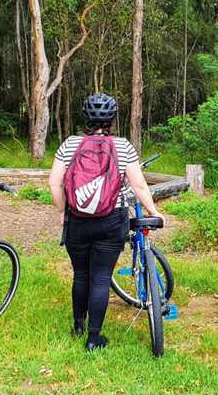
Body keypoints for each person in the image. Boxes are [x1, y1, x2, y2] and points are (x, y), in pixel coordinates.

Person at [48, 93, 166, 351]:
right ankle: (94, 338)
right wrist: (154, 210)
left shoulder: (70, 144)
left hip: (76, 221)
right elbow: (139, 185)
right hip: (112, 220)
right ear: (111, 119)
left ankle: (78, 325)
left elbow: (54, 183)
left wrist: (62, 211)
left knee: (81, 275)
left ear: (85, 118)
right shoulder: (122, 146)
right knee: (101, 278)